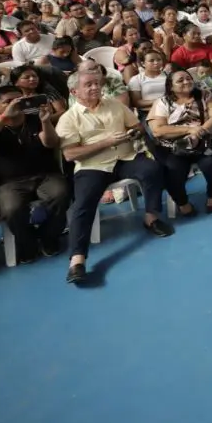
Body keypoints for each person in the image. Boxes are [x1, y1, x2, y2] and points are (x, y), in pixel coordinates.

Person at [57, 67, 173, 285]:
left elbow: (137, 126)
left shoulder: (115, 105)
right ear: (74, 92)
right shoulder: (68, 118)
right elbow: (70, 154)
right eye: (88, 85)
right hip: (93, 165)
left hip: (125, 157)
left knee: (152, 169)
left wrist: (134, 133)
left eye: (97, 83)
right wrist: (106, 142)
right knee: (83, 204)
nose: (95, 87)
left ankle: (151, 218)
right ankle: (77, 259)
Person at [0, 86, 70, 263]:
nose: (15, 104)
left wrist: (46, 122)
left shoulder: (34, 119)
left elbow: (51, 143)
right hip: (9, 182)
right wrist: (3, 118)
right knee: (11, 209)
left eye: (19, 100)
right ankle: (27, 244)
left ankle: (48, 237)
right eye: (8, 101)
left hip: (45, 174)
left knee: (61, 195)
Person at [148, 70, 212, 215]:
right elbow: (158, 130)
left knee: (211, 164)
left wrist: (200, 132)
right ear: (171, 86)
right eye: (180, 80)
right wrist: (189, 130)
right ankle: (182, 203)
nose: (186, 82)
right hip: (173, 146)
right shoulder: (162, 103)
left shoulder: (205, 95)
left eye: (188, 78)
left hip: (206, 140)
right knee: (172, 170)